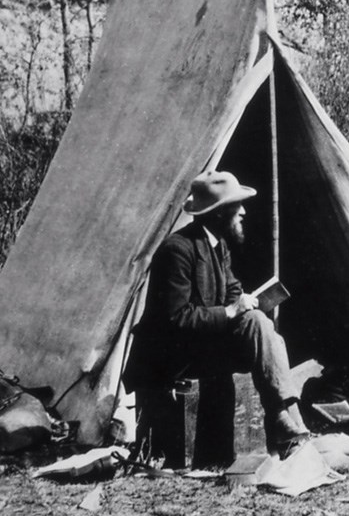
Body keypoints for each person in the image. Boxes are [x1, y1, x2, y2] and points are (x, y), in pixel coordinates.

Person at [124, 169, 309, 460]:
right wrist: (231, 310)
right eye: (238, 206)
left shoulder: (218, 246)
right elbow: (177, 318)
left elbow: (232, 291)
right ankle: (287, 420)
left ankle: (287, 419)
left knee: (258, 321)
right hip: (171, 358)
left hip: (201, 346)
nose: (244, 212)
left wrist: (248, 302)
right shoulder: (178, 250)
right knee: (257, 324)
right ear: (219, 212)